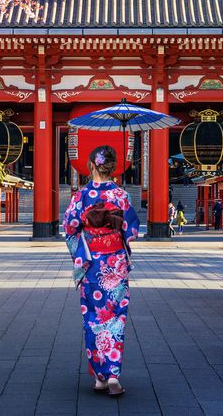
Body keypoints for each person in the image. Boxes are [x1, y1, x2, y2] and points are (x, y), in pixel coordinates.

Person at [63, 145, 140, 397]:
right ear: (112, 167)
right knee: (116, 317)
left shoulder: (81, 195)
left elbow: (70, 226)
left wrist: (87, 237)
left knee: (93, 318)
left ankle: (99, 377)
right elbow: (131, 229)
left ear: (91, 165)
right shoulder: (121, 195)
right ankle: (113, 375)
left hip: (92, 263)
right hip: (115, 264)